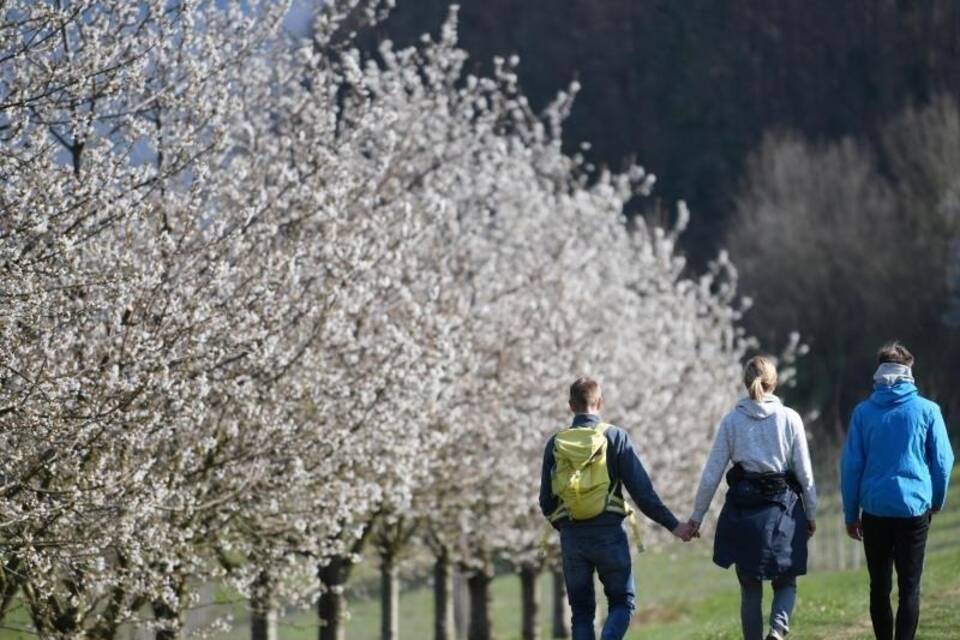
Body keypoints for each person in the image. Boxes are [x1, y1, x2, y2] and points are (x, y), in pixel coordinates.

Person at [539, 377, 693, 640]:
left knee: (582, 613)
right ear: (600, 402)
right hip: (609, 533)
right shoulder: (615, 437)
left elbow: (546, 501)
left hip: (573, 536)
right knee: (622, 603)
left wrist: (567, 525)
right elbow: (642, 493)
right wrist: (674, 525)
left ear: (570, 406)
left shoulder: (555, 444)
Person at [684, 356, 817, 640]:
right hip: (783, 510)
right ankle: (778, 630)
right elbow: (805, 474)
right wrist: (812, 513)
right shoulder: (790, 418)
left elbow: (711, 475)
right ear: (774, 382)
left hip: (743, 513)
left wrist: (697, 517)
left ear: (747, 383)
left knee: (750, 589)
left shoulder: (732, 422)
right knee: (785, 581)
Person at [840, 342, 954, 640]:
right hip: (914, 509)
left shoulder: (862, 413)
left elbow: (851, 467)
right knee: (910, 587)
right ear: (909, 371)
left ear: (879, 373)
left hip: (875, 511)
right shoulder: (929, 410)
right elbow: (943, 462)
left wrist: (851, 515)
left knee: (879, 586)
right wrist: (936, 501)